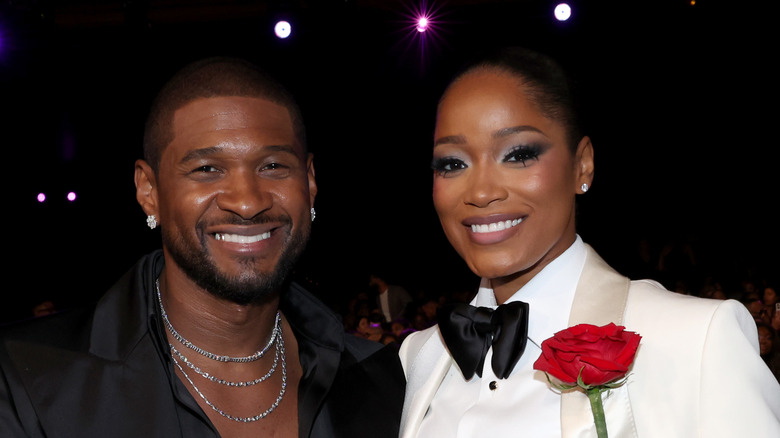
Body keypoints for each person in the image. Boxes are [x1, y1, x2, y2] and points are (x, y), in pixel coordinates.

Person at [0, 56, 405, 437]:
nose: (247, 201)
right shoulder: (27, 377)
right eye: (207, 170)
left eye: (273, 166)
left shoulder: (384, 379)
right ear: (149, 190)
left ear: (310, 182)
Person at [397, 46, 780, 437]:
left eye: (518, 155)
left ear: (583, 164)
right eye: (452, 163)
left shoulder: (696, 340)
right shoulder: (423, 355)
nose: (480, 192)